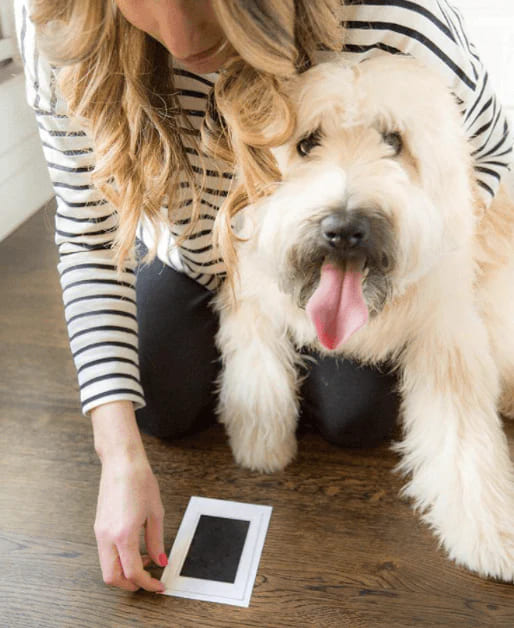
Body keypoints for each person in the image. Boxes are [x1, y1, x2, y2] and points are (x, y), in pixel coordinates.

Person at [14, 0, 513, 594]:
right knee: (159, 406)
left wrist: (416, 251)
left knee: (357, 421)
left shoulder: (397, 20)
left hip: (351, 253)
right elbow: (90, 236)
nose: (182, 37)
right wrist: (116, 457)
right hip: (195, 248)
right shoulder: (59, 26)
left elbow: (488, 153)